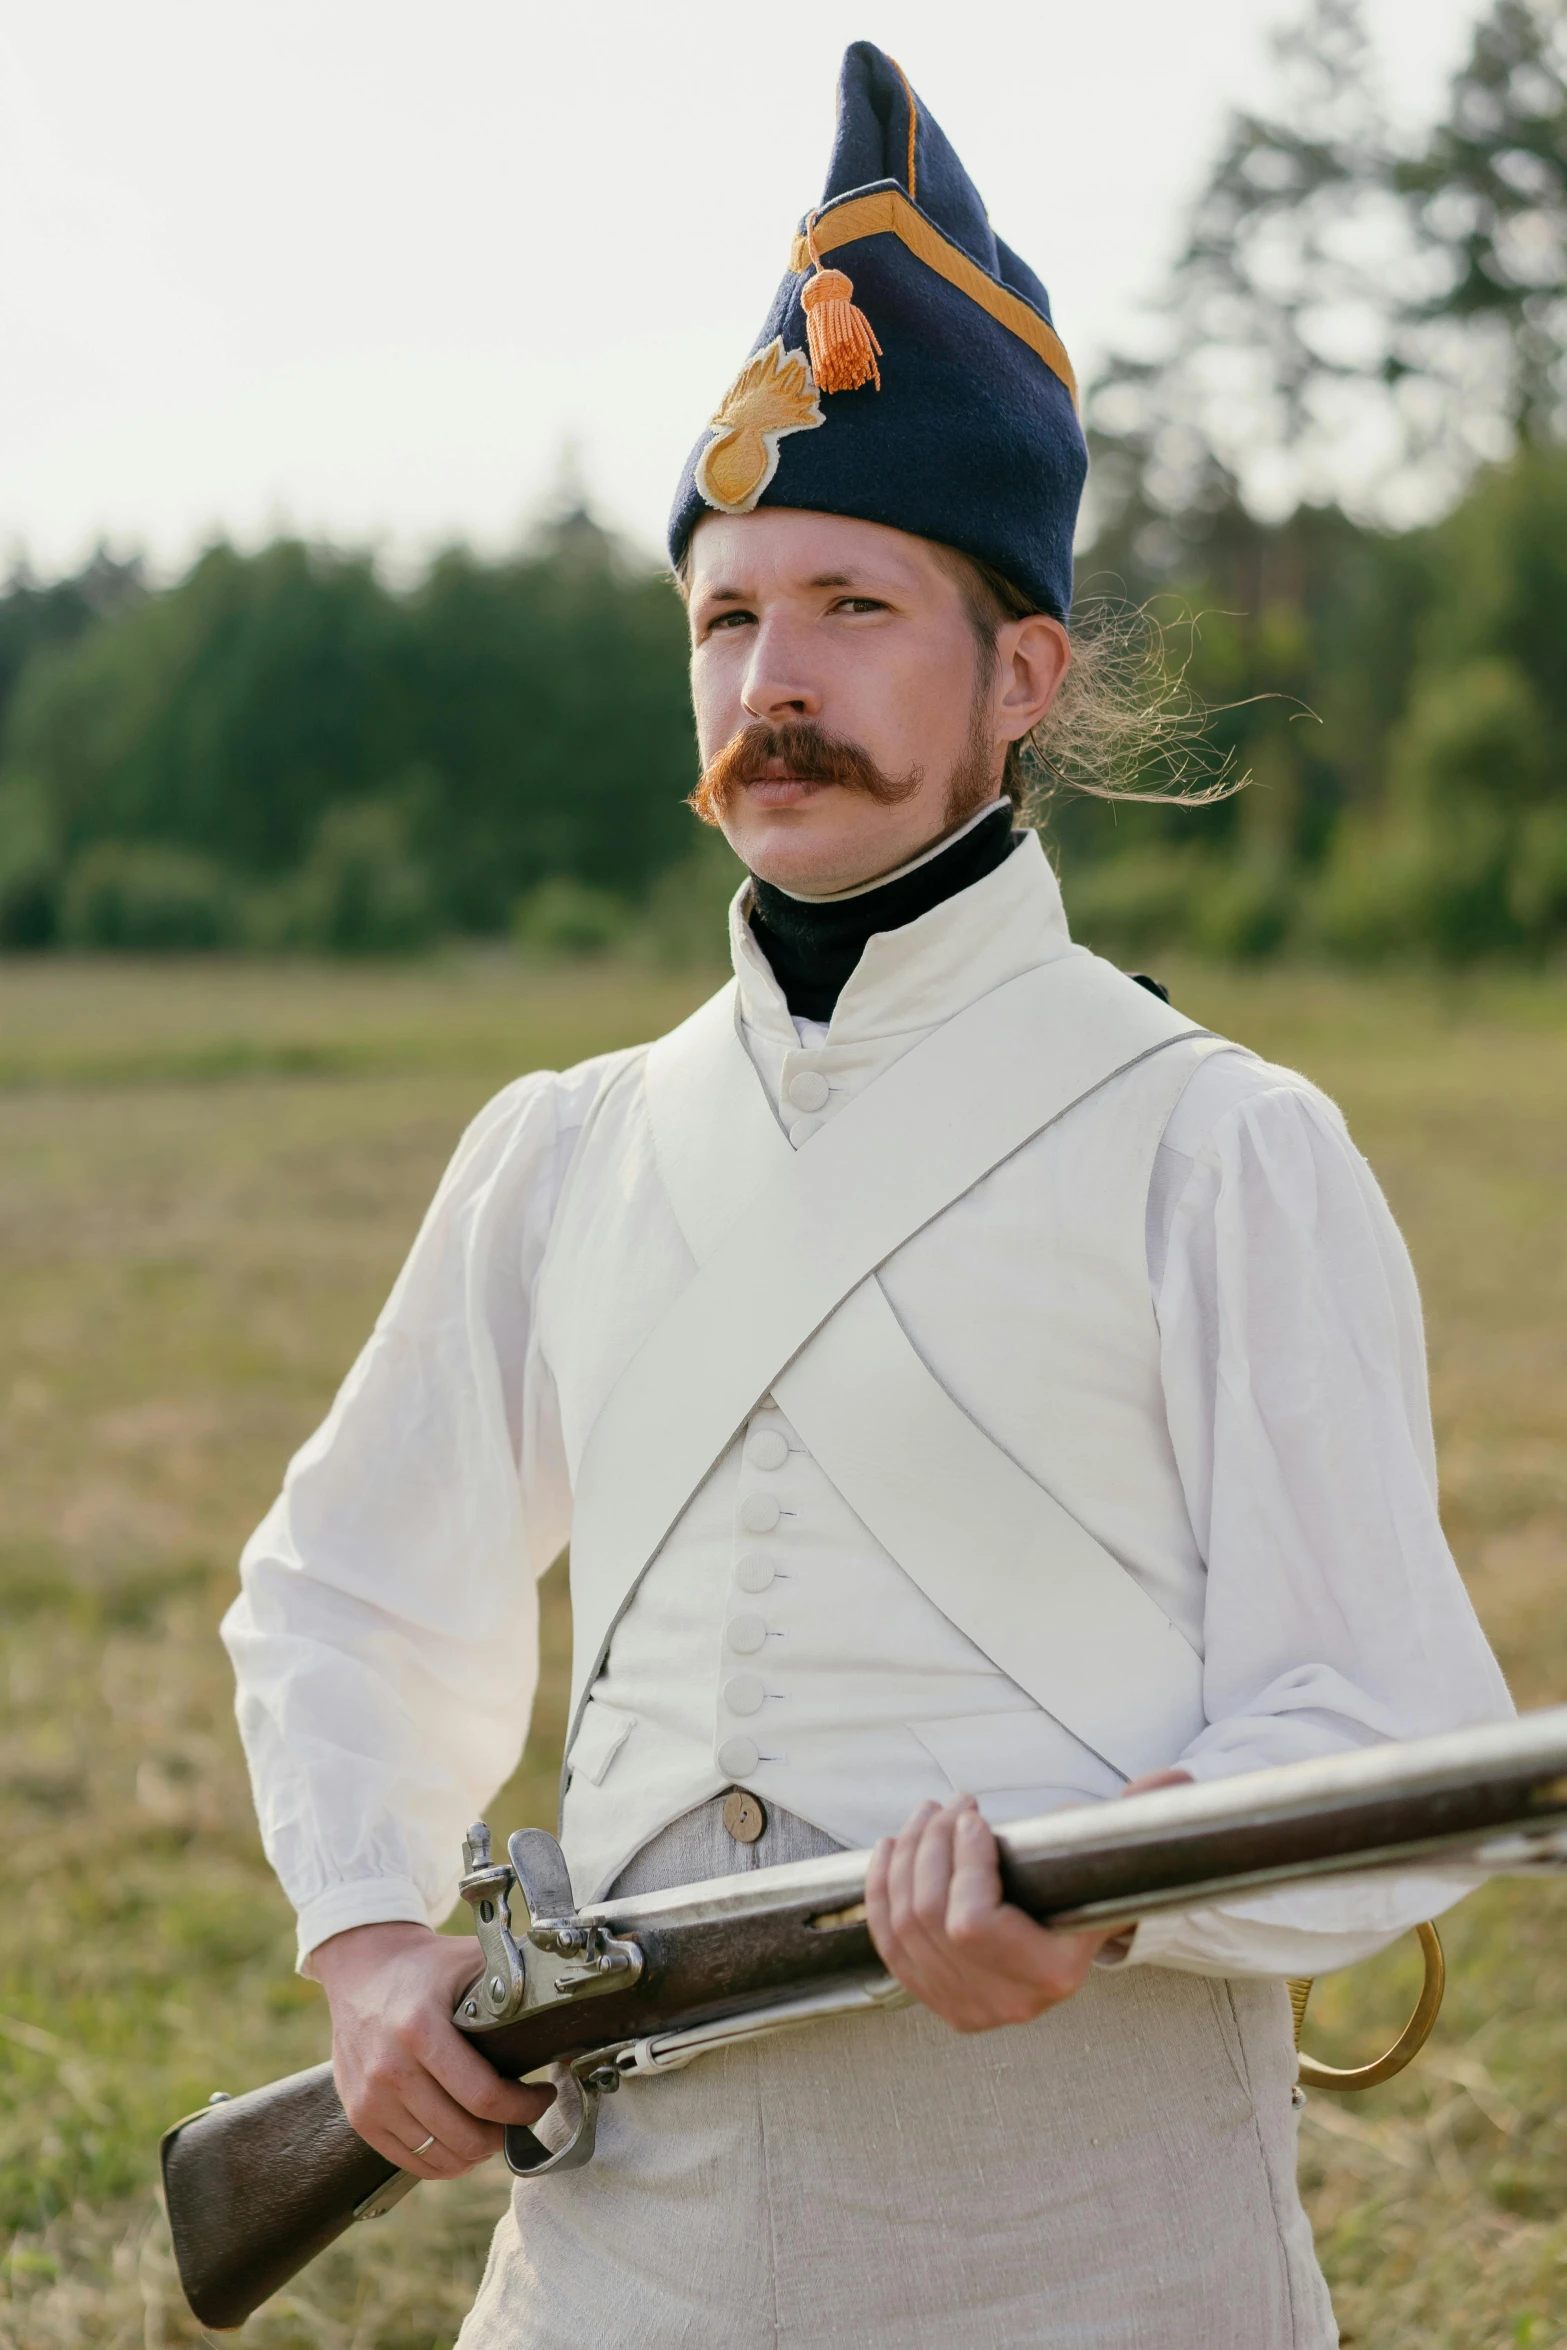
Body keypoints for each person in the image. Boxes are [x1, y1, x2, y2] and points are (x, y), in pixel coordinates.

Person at [223, 43, 1512, 2347]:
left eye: (848, 606)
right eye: (729, 619)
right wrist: (371, 1941)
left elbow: (1385, 1727)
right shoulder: (565, 1147)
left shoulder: (1222, 1147)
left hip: (1092, 2232)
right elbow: (343, 1587)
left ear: (1024, 670)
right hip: (628, 2243)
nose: (772, 680)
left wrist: (1113, 1886)